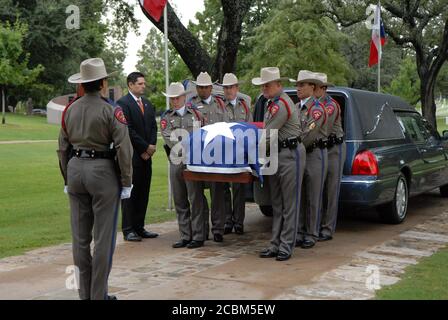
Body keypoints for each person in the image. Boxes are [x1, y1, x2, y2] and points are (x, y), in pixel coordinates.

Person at [57, 57, 133, 300]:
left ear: (82, 83)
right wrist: (127, 181)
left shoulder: (70, 109)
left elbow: (62, 147)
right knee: (103, 240)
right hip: (102, 172)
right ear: (102, 83)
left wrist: (67, 178)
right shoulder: (111, 109)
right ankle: (98, 295)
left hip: (75, 169)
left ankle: (85, 294)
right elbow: (123, 148)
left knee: (80, 239)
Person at [253, 67, 306, 261]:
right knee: (277, 203)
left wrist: (250, 155)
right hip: (277, 154)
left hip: (290, 154)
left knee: (289, 203)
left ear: (279, 85)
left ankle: (285, 245)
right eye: (262, 86)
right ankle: (275, 244)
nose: (264, 89)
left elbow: (267, 135)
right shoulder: (271, 104)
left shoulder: (280, 104)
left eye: (267, 85)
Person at [160, 82, 207, 249]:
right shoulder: (166, 118)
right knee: (180, 199)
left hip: (192, 162)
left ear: (184, 96)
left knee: (196, 198)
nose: (174, 101)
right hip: (176, 161)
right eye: (172, 98)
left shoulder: (196, 114)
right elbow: (169, 139)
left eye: (177, 97)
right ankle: (186, 235)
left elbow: (202, 135)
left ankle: (199, 235)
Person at [118, 72, 159, 242]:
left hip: (147, 157)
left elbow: (153, 127)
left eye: (144, 83)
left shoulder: (148, 104)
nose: (143, 86)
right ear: (130, 85)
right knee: (130, 194)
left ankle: (139, 227)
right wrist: (144, 147)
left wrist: (151, 147)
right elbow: (128, 130)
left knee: (143, 192)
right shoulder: (123, 104)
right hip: (133, 157)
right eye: (140, 83)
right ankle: (128, 229)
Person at [190, 72, 228, 243]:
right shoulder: (190, 105)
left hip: (217, 154)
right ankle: (200, 231)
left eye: (205, 87)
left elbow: (226, 127)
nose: (202, 90)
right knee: (196, 195)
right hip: (198, 155)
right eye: (200, 87)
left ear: (211, 88)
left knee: (217, 192)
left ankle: (218, 228)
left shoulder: (220, 104)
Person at [293, 70, 328, 249]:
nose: (297, 88)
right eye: (297, 85)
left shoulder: (317, 109)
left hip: (314, 154)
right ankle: (298, 231)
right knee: (299, 194)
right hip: (300, 153)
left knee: (313, 196)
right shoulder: (297, 108)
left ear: (312, 87)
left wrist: (293, 146)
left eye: (301, 85)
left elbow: (308, 135)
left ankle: (311, 233)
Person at [218, 73, 253, 235]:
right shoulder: (218, 105)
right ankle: (227, 221)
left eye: (231, 87)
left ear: (237, 88)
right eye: (225, 87)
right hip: (223, 151)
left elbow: (250, 128)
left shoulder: (245, 105)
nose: (228, 90)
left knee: (239, 188)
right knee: (224, 187)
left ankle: (239, 221)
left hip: (239, 152)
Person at [314, 73, 346, 241]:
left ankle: (327, 228)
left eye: (316, 87)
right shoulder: (313, 105)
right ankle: (316, 226)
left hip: (334, 148)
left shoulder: (330, 105)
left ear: (324, 89)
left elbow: (322, 128)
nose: (313, 90)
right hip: (322, 148)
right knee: (318, 189)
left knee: (331, 189)